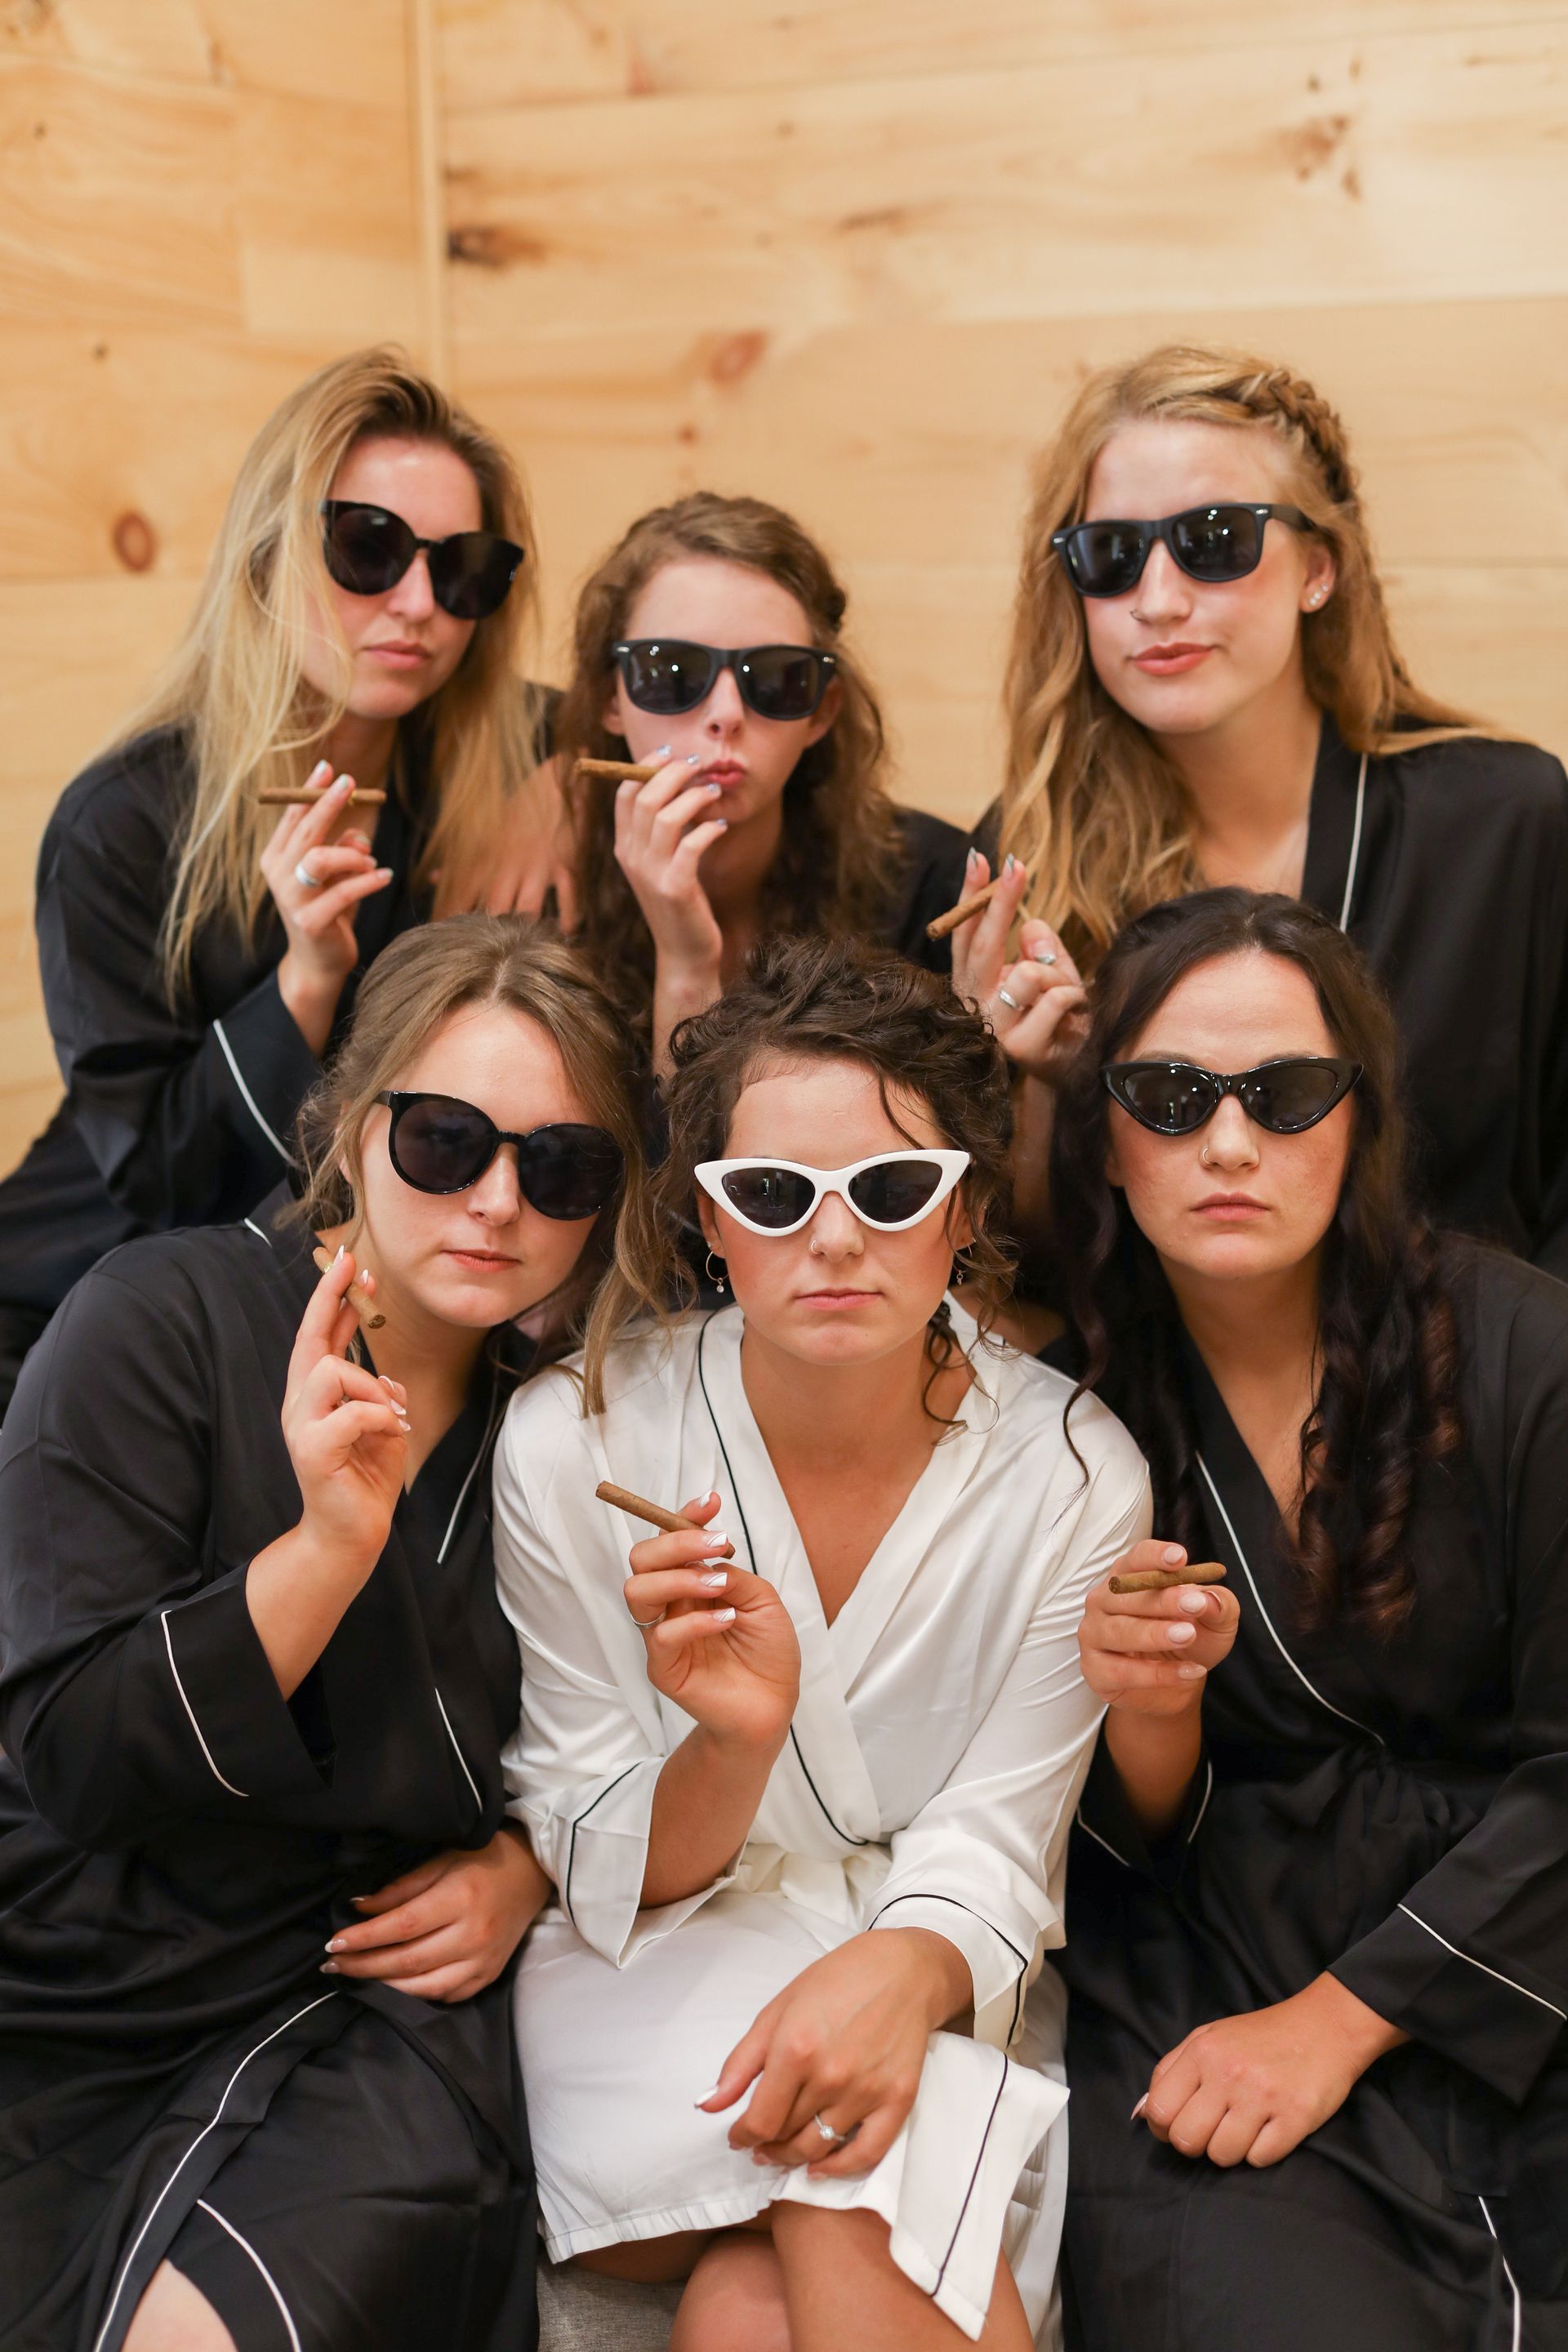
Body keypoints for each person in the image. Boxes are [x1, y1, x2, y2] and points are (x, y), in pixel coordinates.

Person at [0, 916, 654, 2352]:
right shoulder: (149, 1322)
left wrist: (528, 1864)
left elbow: (621, 1742)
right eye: (443, 1141)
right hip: (82, 1971)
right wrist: (327, 1550)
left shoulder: (569, 1434)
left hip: (361, 2001)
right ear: (351, 1131)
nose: (497, 1202)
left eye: (560, 1167)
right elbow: (69, 1759)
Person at [492, 936, 1151, 2350]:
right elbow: (599, 1853)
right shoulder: (572, 1441)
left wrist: (900, 1977)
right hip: (652, 1977)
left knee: (750, 2299)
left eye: (894, 1189)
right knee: (852, 2182)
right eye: (776, 1196)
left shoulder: (1078, 1474)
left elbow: (1001, 1828)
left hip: (935, 1963)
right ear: (710, 1223)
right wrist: (729, 1739)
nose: (836, 1240)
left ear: (965, 1205)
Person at [1044, 888, 1568, 2350]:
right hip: (1213, 1969)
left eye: (1285, 1095)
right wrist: (1150, 1715)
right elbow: (1088, 1835)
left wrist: (1341, 2022)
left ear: (1360, 1117)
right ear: (1103, 1135)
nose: (1228, 1143)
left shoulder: (1530, 1353)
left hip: (1519, 1946)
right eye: (1170, 1095)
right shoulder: (1056, 1417)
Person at [0, 347, 553, 1412]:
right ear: (267, 552)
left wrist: (560, 791)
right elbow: (163, 1182)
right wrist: (304, 980)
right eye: (367, 546)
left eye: (464, 568)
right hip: (84, 1309)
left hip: (348, 1322)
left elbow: (636, 719)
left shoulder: (479, 753)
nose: (419, 603)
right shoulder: (122, 824)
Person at [951, 345, 1568, 1276]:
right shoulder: (1030, 856)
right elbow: (1035, 1265)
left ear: (1319, 567)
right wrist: (1035, 1088)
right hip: (1164, 1412)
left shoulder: (1505, 822)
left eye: (1214, 542)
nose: (1157, 602)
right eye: (1112, 557)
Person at [546, 492, 968, 1072]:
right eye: (673, 672)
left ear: (822, 711)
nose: (726, 713)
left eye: (776, 679)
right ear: (608, 699)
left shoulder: (927, 889)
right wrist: (687, 964)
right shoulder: (546, 903)